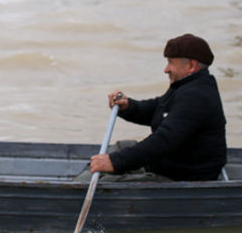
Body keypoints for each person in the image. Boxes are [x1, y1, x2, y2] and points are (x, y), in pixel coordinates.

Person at [77, 33, 228, 182]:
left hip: (181, 177)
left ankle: (73, 193)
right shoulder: (187, 86)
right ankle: (77, 183)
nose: (166, 69)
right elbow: (159, 108)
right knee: (122, 147)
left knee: (106, 181)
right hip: (167, 164)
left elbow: (162, 141)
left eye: (171, 63)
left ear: (190, 66)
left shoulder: (196, 96)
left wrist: (115, 162)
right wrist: (128, 106)